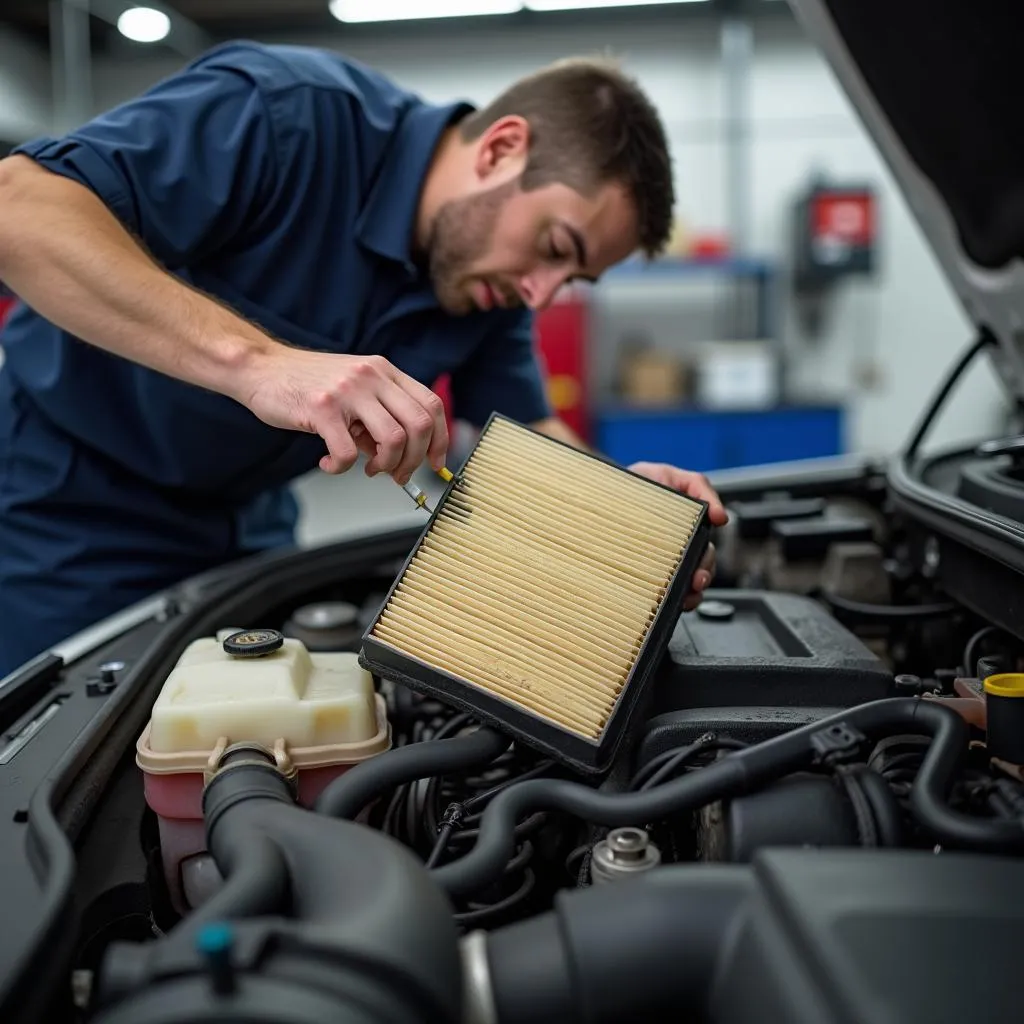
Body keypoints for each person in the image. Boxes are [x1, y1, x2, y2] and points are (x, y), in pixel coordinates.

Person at [0, 41, 725, 677]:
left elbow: (527, 431)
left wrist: (630, 517)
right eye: (556, 249)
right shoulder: (284, 115)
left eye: (572, 280)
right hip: (64, 507)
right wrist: (259, 363)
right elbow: (20, 209)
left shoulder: (487, 286)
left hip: (248, 527)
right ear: (502, 148)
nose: (540, 295)